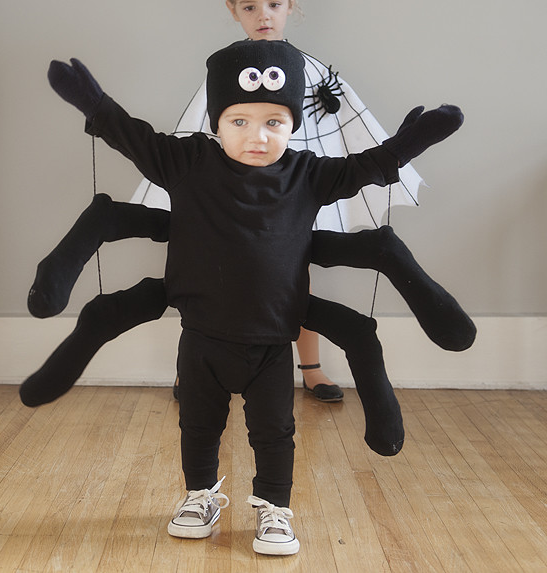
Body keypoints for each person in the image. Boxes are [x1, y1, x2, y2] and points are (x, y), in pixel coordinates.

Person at [23, 39, 466, 554]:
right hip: (202, 337)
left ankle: (275, 508)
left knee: (275, 432)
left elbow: (367, 167)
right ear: (216, 121)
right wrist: (93, 103)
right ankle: (199, 496)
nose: (257, 136)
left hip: (272, 341)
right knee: (198, 424)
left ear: (292, 125)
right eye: (240, 121)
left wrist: (415, 140)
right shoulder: (185, 161)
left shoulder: (308, 173)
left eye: (274, 122)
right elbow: (132, 137)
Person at [133, 0, 425, 402]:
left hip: (298, 183)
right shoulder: (225, 73)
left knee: (291, 271)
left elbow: (341, 128)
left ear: (291, 7)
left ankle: (310, 367)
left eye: (274, 4)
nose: (263, 16)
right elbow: (202, 134)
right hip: (227, 192)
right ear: (234, 11)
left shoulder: (311, 72)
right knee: (205, 267)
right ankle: (191, 366)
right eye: (250, 7)